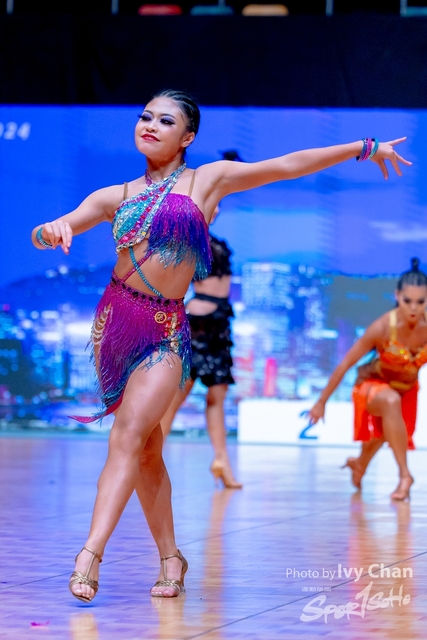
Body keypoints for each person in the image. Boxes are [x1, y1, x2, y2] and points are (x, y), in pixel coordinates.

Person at [30, 89, 410, 603]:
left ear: (187, 136)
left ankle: (89, 554)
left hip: (165, 329)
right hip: (115, 327)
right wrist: (49, 231)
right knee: (146, 450)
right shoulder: (113, 196)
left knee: (128, 433)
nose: (150, 125)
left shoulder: (207, 181)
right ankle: (171, 557)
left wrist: (363, 147)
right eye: (145, 116)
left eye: (165, 121)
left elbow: (288, 165)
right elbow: (51, 230)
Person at [308, 258, 427, 502]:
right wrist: (321, 402)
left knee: (387, 431)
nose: (414, 308)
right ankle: (405, 475)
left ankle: (359, 463)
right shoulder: (382, 327)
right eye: (407, 301)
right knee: (390, 402)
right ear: (397, 296)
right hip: (373, 385)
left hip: (406, 390)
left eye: (421, 301)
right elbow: (345, 364)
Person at [161, 202, 242, 489]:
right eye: (212, 204)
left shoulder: (208, 238)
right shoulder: (187, 240)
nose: (216, 208)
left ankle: (222, 461)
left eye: (219, 205)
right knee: (179, 393)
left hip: (220, 321)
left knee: (217, 395)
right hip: (198, 321)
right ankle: (149, 454)